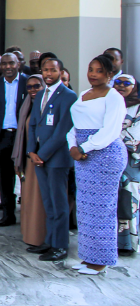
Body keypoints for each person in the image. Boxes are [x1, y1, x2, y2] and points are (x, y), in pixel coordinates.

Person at [66, 55, 128, 273]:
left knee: (102, 209)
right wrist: (73, 146)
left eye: (99, 70)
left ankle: (100, 261)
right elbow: (75, 126)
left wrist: (84, 148)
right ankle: (88, 256)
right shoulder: (84, 94)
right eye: (91, 69)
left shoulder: (114, 97)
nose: (93, 74)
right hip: (83, 155)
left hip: (105, 155)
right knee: (86, 209)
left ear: (110, 74)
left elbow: (111, 131)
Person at [26, 57, 77, 262]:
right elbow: (33, 124)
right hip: (38, 158)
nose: (48, 74)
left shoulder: (68, 96)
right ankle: (49, 240)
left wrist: (42, 154)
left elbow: (62, 131)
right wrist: (31, 151)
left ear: (60, 72)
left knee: (59, 203)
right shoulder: (40, 94)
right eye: (45, 70)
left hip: (56, 159)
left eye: (52, 71)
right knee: (48, 202)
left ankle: (60, 246)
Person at [0, 53, 28, 226]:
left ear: (18, 64)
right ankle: (8, 215)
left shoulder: (28, 83)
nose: (8, 67)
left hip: (21, 137)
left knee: (25, 177)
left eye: (11, 63)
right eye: (4, 64)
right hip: (1, 137)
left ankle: (28, 216)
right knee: (5, 178)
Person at [12, 74, 48, 248]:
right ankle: (29, 234)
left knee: (39, 201)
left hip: (43, 159)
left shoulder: (46, 105)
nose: (33, 90)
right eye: (30, 87)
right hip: (27, 159)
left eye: (37, 86)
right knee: (28, 198)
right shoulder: (26, 105)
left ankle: (40, 237)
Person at [113, 74, 140, 255]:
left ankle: (129, 244)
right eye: (118, 83)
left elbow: (135, 137)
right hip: (111, 162)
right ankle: (114, 243)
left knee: (130, 201)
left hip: (131, 163)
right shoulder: (111, 103)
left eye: (126, 84)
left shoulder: (138, 108)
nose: (122, 86)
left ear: (135, 87)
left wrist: (111, 137)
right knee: (114, 202)